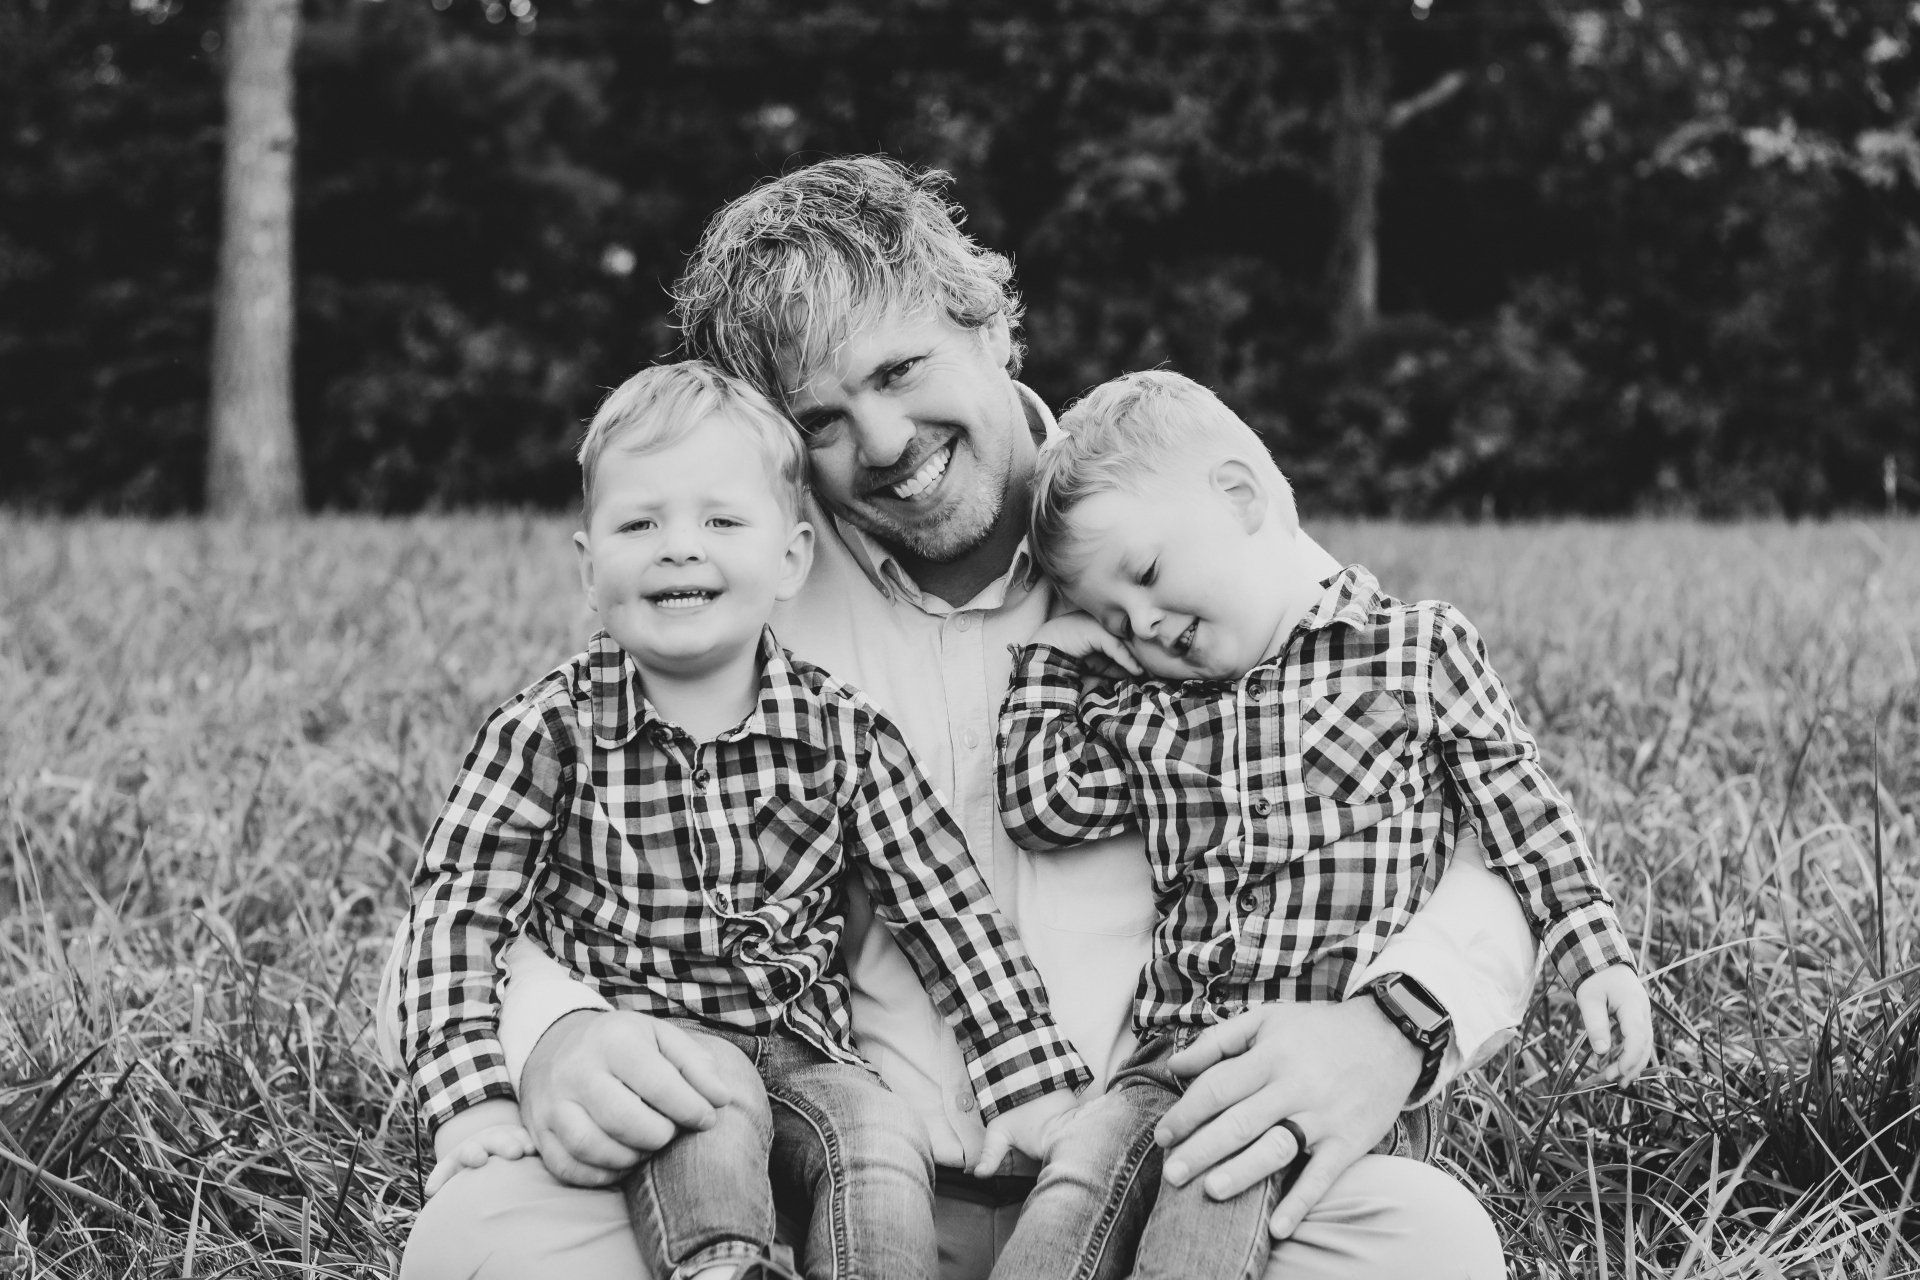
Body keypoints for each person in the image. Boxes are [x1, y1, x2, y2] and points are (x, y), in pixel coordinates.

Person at [390, 155, 1538, 1280]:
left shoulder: (1167, 547)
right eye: (823, 419)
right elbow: (475, 895)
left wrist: (1392, 1028)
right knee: (473, 1242)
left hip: (1159, 1175)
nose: (883, 443)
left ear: (988, 321)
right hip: (824, 1183)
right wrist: (553, 1031)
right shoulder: (749, 590)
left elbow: (1501, 844)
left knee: (1428, 1245)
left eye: (900, 369)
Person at [397, 361, 1087, 1280]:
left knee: (881, 1140)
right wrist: (472, 1097)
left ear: (792, 557)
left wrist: (1030, 1076)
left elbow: (946, 908)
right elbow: (455, 914)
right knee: (709, 1118)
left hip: (807, 1052)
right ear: (588, 564)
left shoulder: (837, 729)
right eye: (640, 524)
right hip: (652, 1049)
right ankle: (722, 1267)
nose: (681, 548)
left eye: (722, 522)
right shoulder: (550, 731)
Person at [986, 369, 1654, 1280]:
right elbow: (1043, 808)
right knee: (1072, 1199)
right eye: (1112, 616)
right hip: (1166, 1052)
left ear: (1240, 495)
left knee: (1202, 1208)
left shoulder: (1414, 649)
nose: (1142, 622)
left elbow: (1519, 810)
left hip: (1317, 1068)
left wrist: (1594, 947)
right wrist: (1053, 669)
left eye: (1145, 574)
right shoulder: (1156, 709)